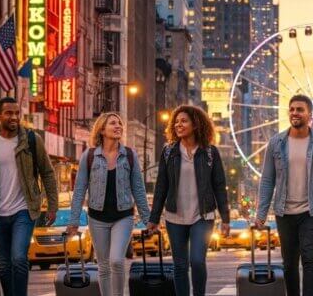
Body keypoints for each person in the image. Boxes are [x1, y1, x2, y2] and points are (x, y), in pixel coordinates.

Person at [254, 94, 313, 296]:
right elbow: (267, 179)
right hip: (284, 212)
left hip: (312, 211)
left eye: (300, 109)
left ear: (310, 115)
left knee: (310, 259)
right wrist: (261, 214)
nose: (295, 113)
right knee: (289, 263)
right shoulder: (276, 143)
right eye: (292, 109)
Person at [0, 97, 58, 296]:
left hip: (24, 210)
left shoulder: (31, 139)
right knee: (3, 265)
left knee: (18, 258)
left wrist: (52, 205)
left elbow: (47, 172)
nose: (14, 117)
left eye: (17, 113)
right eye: (9, 113)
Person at [147, 106, 230, 296]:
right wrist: (154, 218)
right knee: (180, 265)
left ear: (196, 124)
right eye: (176, 122)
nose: (178, 124)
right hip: (174, 216)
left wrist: (225, 219)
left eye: (183, 121)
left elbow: (219, 186)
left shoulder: (210, 152)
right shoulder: (169, 152)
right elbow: (161, 187)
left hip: (203, 215)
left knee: (198, 261)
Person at [67, 112, 150, 296]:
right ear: (102, 130)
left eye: (120, 123)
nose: (118, 126)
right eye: (113, 123)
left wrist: (148, 218)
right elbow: (80, 189)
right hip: (97, 218)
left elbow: (138, 188)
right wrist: (73, 221)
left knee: (116, 261)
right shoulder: (89, 156)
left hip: (124, 216)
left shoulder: (129, 155)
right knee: (103, 265)